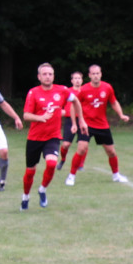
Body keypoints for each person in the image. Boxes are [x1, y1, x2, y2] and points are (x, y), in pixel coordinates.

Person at [21, 63, 86, 210]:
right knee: (30, 172)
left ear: (53, 76)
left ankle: (42, 189)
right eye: (44, 74)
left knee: (51, 164)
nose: (47, 76)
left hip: (53, 136)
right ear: (39, 77)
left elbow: (75, 101)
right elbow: (26, 115)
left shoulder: (62, 90)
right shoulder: (33, 93)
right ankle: (25, 197)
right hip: (35, 138)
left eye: (50, 74)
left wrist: (81, 119)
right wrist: (40, 117)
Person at [65, 63, 130, 185]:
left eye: (97, 73)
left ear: (101, 74)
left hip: (102, 125)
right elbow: (74, 105)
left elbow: (114, 102)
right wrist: (75, 123)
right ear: (89, 75)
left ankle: (116, 175)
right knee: (81, 148)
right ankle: (71, 176)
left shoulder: (107, 88)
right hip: (86, 124)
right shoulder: (83, 89)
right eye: (93, 74)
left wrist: (121, 115)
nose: (96, 76)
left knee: (111, 152)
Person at [57, 70, 84, 170]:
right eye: (75, 78)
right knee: (66, 144)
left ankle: (80, 165)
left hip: (82, 120)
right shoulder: (67, 92)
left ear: (82, 80)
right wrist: (61, 111)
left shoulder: (84, 91)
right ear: (72, 81)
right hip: (69, 120)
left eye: (79, 78)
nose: (77, 80)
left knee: (83, 144)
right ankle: (63, 159)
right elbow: (59, 104)